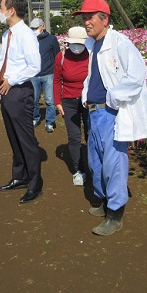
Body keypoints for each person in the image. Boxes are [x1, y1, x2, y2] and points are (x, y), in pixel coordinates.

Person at [73, 0, 147, 236]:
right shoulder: (93, 44)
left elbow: (138, 75)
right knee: (95, 162)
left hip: (110, 113)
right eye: (84, 17)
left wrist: (112, 98)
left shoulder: (120, 43)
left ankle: (115, 214)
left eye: (90, 17)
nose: (86, 22)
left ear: (104, 19)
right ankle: (104, 201)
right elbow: (92, 75)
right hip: (94, 112)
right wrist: (87, 94)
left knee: (113, 163)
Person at [0, 0, 43, 204]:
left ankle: (35, 182)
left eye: (1, 7)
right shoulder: (7, 34)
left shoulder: (25, 34)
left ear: (11, 10)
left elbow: (34, 66)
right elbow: (3, 60)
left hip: (19, 90)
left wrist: (12, 80)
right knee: (13, 137)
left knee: (26, 138)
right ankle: (19, 176)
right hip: (6, 90)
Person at [53, 26, 90, 186]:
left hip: (89, 101)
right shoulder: (61, 57)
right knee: (74, 137)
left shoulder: (91, 56)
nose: (76, 47)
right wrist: (57, 102)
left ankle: (93, 167)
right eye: (73, 43)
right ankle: (78, 170)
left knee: (91, 135)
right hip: (69, 101)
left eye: (79, 44)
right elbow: (56, 81)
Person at [29, 17, 60, 133]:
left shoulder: (52, 39)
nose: (34, 30)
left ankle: (50, 122)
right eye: (32, 28)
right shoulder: (30, 39)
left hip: (48, 74)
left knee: (50, 100)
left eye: (36, 28)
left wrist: (57, 72)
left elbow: (57, 55)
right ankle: (35, 118)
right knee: (34, 99)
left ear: (43, 26)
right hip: (34, 75)